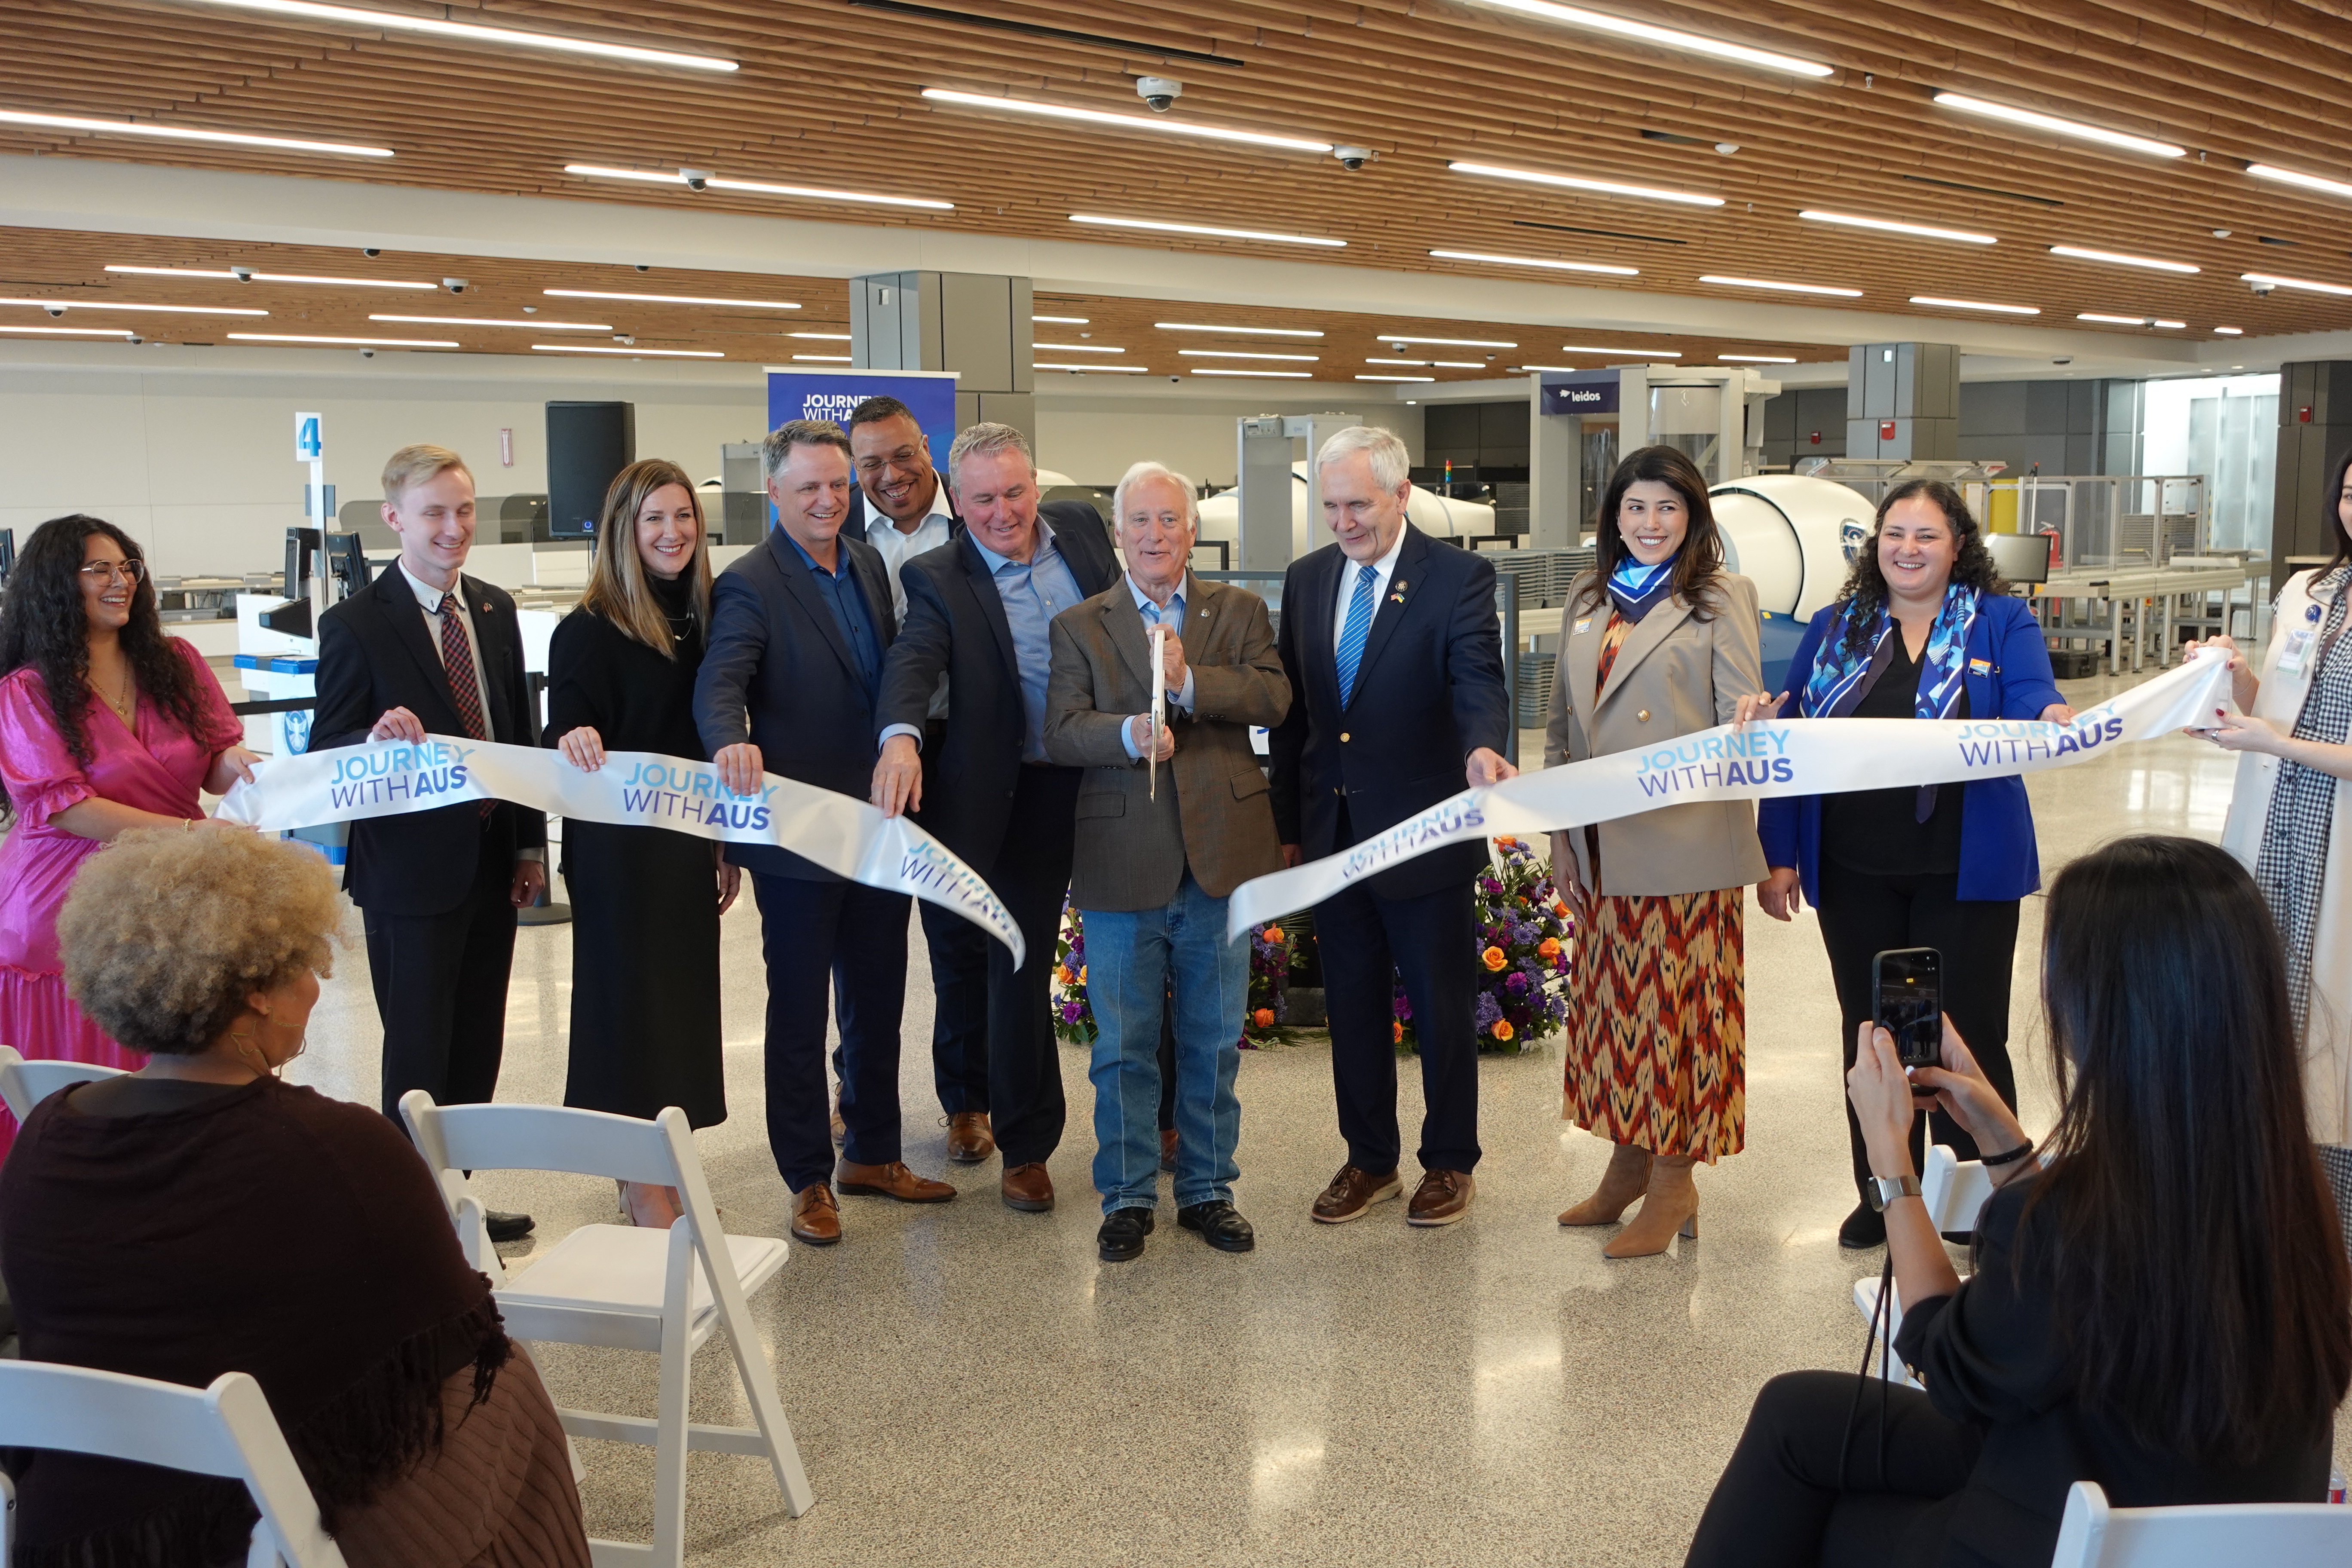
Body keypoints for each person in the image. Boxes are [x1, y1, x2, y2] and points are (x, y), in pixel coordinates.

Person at [1684, 836, 2352, 1568]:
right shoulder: (2287, 1189)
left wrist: (1892, 1167)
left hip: (2072, 1526)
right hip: (2182, 1495)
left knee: (1820, 1514)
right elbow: (2080, 1279)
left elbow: (1948, 1359)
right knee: (1795, 1411)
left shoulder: (2078, 1219)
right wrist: (2002, 1137)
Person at [0, 827, 590, 1568]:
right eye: (306, 966)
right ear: (254, 989)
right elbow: (453, 1343)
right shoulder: (338, 1148)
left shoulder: (44, 1137)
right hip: (253, 1524)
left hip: (87, 1524)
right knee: (508, 1389)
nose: (316, 988)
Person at [1755, 478, 2071, 1250]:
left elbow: (2034, 694)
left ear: (1958, 545)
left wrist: (2053, 717)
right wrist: (1778, 853)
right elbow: (1792, 739)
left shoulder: (2000, 620)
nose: (1908, 549)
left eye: (1927, 536)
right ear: (1877, 544)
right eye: (1895, 533)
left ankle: (1978, 1193)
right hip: (1855, 863)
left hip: (1964, 866)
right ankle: (1884, 1190)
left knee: (1966, 1033)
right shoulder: (1838, 627)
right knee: (1873, 1035)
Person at [696, 419, 954, 1246]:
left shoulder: (871, 564)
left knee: (879, 1000)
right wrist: (728, 738)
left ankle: (873, 1153)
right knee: (801, 1013)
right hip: (800, 837)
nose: (828, 499)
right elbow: (721, 680)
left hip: (877, 823)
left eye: (838, 485)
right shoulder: (750, 582)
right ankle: (808, 1177)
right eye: (809, 487)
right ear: (774, 492)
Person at [1043, 461, 1291, 1262]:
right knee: (1122, 1044)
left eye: (1170, 521)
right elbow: (1062, 730)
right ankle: (1125, 1195)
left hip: (1222, 858)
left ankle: (1209, 1189)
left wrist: (1191, 683)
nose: (1156, 536)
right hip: (1122, 862)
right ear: (1119, 535)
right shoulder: (1081, 624)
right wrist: (1125, 736)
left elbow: (1273, 699)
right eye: (1140, 522)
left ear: (1193, 532)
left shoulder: (1240, 611)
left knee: (1214, 1039)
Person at [872, 423, 1122, 1214]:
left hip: (1112, 776)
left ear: (1037, 486)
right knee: (1017, 973)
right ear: (957, 498)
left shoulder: (1081, 530)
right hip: (1021, 793)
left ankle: (1164, 1122)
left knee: (1144, 950)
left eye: (1015, 493)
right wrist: (901, 737)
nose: (1002, 513)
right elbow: (912, 660)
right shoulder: (937, 575)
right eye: (982, 499)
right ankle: (1029, 1147)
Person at [1269, 425, 1513, 1228]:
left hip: (1422, 830)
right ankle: (1369, 1158)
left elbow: (1477, 676)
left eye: (1358, 505)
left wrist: (1484, 749)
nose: (1344, 522)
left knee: (1442, 1006)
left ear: (1401, 495)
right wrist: (1285, 828)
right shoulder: (1307, 581)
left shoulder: (1457, 579)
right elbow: (1299, 716)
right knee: (1354, 1002)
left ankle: (1448, 1162)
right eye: (1331, 506)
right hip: (1333, 830)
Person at [1546, 446, 1778, 1258]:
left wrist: (1751, 716)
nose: (1651, 525)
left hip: (1685, 852)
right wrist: (1562, 839)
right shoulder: (1586, 598)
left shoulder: (1719, 599)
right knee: (1613, 1019)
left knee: (1680, 1021)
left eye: (1669, 509)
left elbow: (1735, 724)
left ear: (1694, 518)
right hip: (1604, 851)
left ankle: (1676, 1180)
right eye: (1636, 508)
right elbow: (1564, 732)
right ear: (1614, 515)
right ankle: (1627, 1166)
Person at [313, 443, 546, 1244]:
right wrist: (371, 735)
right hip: (410, 875)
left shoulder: (492, 608)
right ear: (394, 520)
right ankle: (407, 1215)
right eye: (435, 513)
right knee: (417, 1046)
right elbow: (325, 745)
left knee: (478, 1039)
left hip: (489, 861)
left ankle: (454, 1199)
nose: (454, 529)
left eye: (465, 510)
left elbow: (512, 734)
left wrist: (528, 846)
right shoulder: (354, 623)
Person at [0, 513, 255, 1160]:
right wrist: (195, 834)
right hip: (64, 902)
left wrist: (248, 770)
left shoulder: (176, 662)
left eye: (128, 567)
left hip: (169, 890)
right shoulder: (26, 690)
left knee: (172, 1051)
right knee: (81, 1078)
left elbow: (217, 760)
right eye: (100, 570)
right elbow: (68, 808)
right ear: (59, 584)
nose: (121, 582)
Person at [548, 459, 737, 1230]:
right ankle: (635, 1176)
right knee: (626, 1008)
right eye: (655, 519)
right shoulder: (586, 630)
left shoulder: (707, 620)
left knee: (683, 1007)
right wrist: (576, 735)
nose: (673, 533)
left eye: (684, 517)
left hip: (686, 845)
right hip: (617, 852)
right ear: (625, 531)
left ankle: (668, 1154)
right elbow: (562, 725)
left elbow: (716, 739)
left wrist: (725, 843)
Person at [2194, 442, 2352, 1247]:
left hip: (2340, 836)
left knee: (2336, 1034)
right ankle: (2269, 1203)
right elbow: (2276, 702)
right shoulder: (2312, 588)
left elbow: (2288, 736)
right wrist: (2229, 679)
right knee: (2267, 1011)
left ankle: (2332, 1228)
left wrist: (2275, 742)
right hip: (2278, 829)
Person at [842, 393, 991, 1163]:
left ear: (926, 449)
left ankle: (967, 1102)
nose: (890, 476)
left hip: (957, 748)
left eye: (902, 456)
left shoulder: (978, 522)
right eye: (869, 464)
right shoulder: (834, 536)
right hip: (864, 761)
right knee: (861, 937)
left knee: (955, 932)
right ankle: (855, 1090)